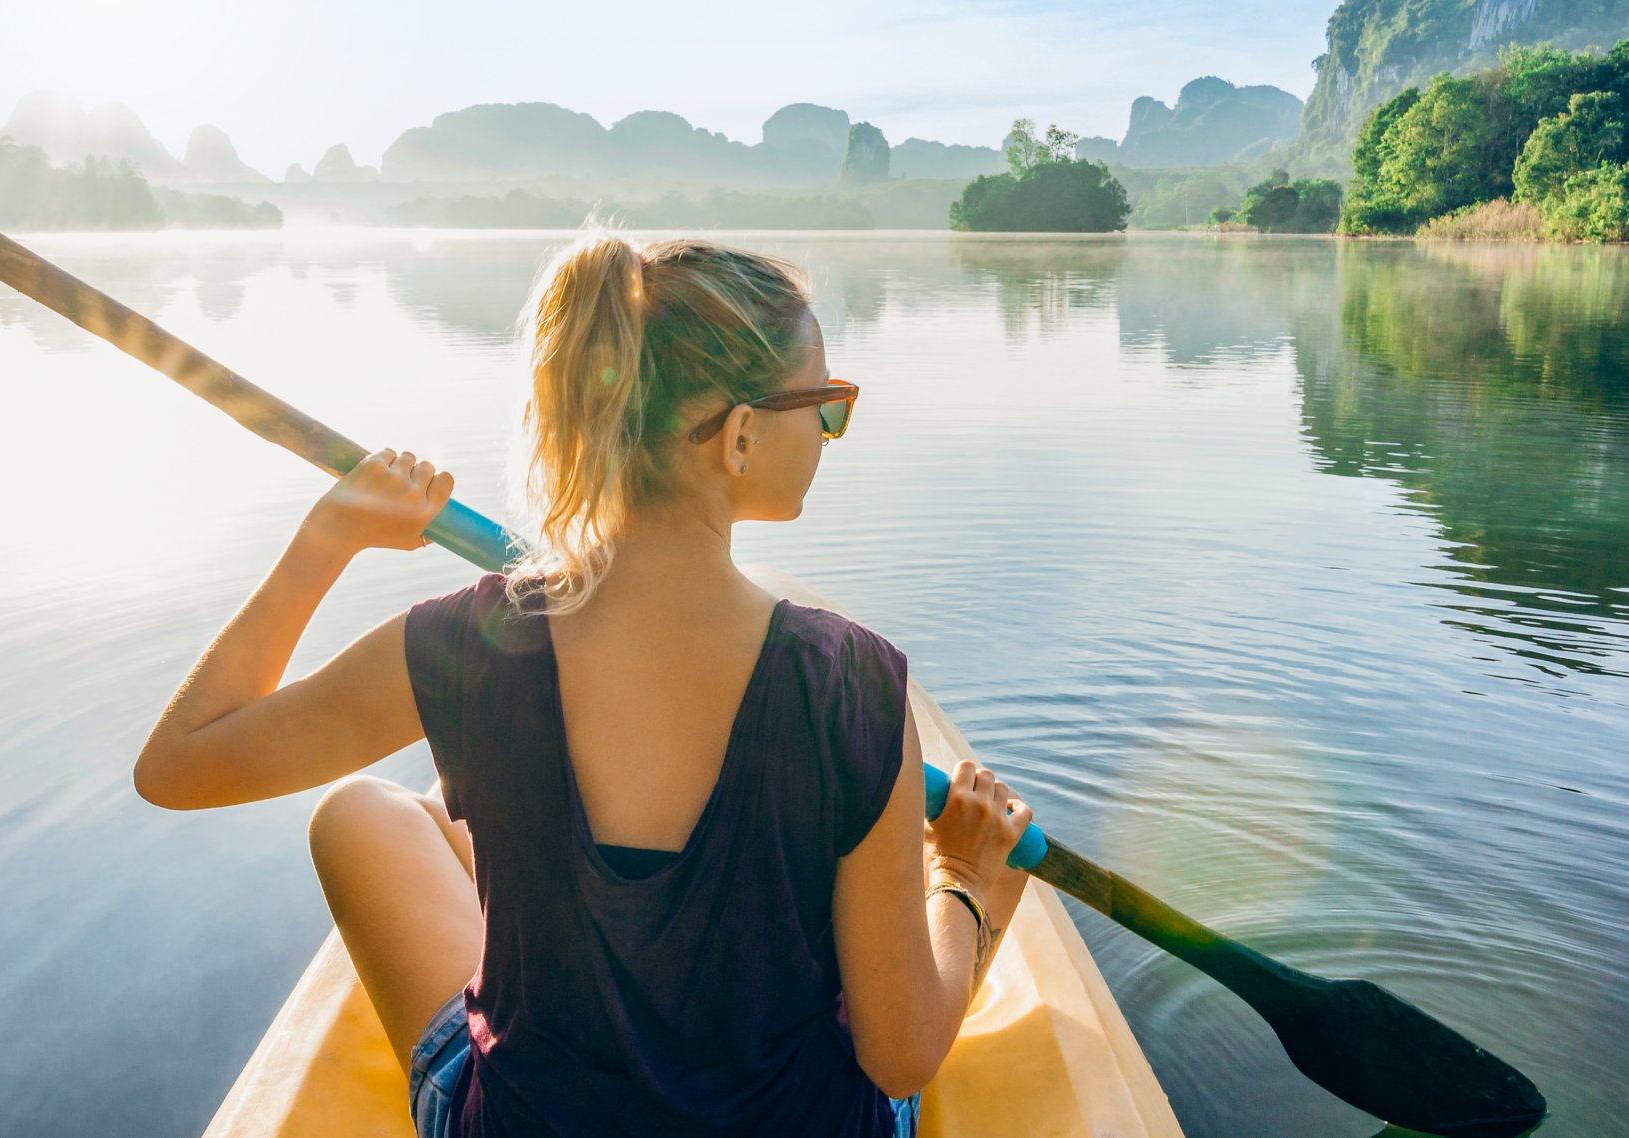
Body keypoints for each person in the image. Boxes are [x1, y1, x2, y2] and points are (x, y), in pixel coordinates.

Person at [133, 236, 1034, 1137]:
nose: (832, 429)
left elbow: (178, 763)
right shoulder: (853, 681)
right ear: (742, 434)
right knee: (956, 899)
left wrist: (329, 536)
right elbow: (901, 1055)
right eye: (826, 405)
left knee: (357, 813)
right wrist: (960, 877)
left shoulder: (467, 644)